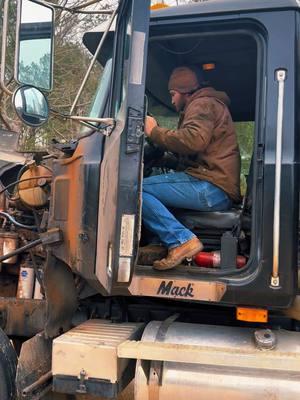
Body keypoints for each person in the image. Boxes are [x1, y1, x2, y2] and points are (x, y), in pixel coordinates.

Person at [142, 65, 241, 271]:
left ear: (185, 91)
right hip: (216, 187)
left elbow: (193, 141)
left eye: (173, 94)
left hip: (210, 186)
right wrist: (165, 159)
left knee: (135, 190)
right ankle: (158, 244)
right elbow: (193, 153)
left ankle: (181, 241)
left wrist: (154, 132)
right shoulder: (208, 104)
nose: (172, 100)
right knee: (156, 194)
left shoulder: (202, 103)